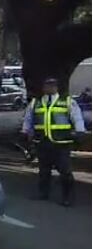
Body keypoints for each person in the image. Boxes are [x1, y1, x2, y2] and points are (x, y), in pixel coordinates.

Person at [21, 77, 86, 206]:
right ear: (44, 87)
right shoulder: (36, 103)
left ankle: (67, 197)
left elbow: (77, 117)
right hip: (42, 142)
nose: (49, 88)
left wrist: (80, 132)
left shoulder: (67, 101)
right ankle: (43, 193)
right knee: (44, 170)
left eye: (52, 85)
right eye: (47, 85)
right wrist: (25, 132)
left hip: (62, 143)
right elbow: (28, 119)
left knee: (65, 171)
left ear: (56, 88)